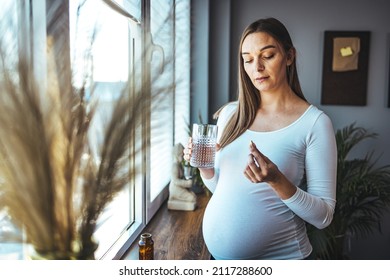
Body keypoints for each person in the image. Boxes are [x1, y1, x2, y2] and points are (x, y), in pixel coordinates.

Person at [184, 17, 337, 260]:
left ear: (289, 56)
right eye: (248, 59)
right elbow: (222, 189)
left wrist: (277, 180)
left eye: (267, 56)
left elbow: (324, 217)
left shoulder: (315, 123)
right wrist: (205, 169)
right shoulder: (230, 115)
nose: (257, 67)